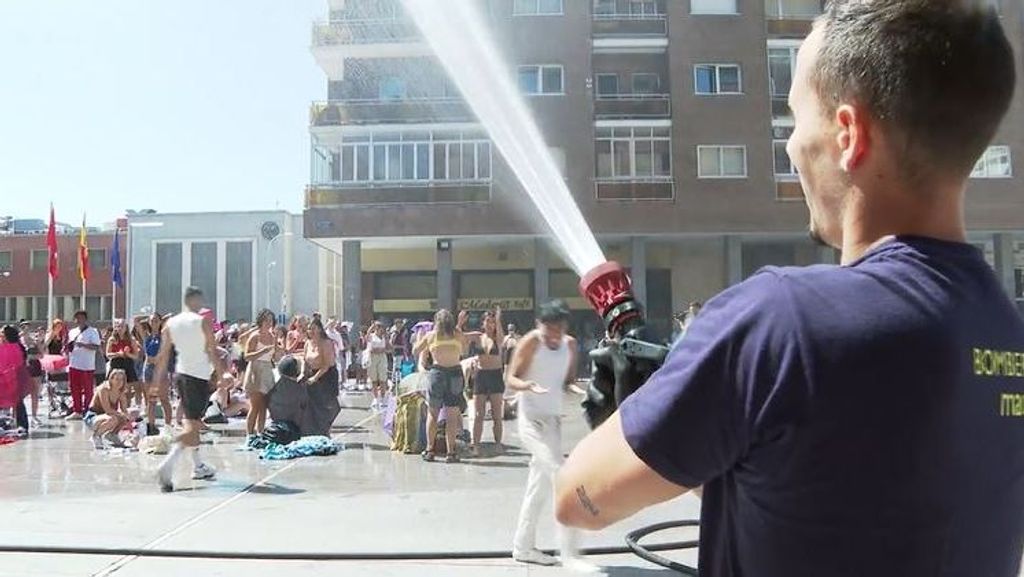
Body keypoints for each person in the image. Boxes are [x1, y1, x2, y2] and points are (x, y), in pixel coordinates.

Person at [556, 3, 1023, 577]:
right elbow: (818, 499)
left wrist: (634, 413)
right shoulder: (1007, 330)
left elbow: (580, 498)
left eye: (795, 118)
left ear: (848, 134)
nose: (791, 146)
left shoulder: (781, 319)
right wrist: (712, 424)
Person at [503, 300, 592, 570]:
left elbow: (567, 382)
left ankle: (522, 547)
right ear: (539, 325)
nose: (552, 335)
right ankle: (570, 553)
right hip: (530, 421)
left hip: (553, 421)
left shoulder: (571, 345)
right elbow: (510, 378)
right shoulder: (531, 342)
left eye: (557, 330)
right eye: (547, 329)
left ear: (564, 327)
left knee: (538, 487)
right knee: (560, 476)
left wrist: (580, 392)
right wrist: (527, 385)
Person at [154, 287, 224, 492]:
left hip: (181, 376)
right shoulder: (201, 322)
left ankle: (198, 465)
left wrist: (156, 381)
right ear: (195, 301)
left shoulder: (170, 323)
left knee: (191, 423)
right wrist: (222, 374)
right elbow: (211, 350)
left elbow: (163, 355)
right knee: (192, 428)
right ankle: (166, 464)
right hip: (198, 377)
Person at [412, 309, 474, 463]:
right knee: (452, 415)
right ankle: (451, 452)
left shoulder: (431, 335)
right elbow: (465, 350)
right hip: (454, 372)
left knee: (433, 414)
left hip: (437, 373)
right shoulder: (457, 334)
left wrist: (420, 339)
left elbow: (415, 351)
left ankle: (429, 450)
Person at [470, 309, 505, 456]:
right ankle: (476, 445)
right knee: (479, 414)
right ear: (483, 323)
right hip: (481, 376)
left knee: (497, 414)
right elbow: (461, 336)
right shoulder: (478, 337)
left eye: (492, 322)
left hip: (495, 375)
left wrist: (498, 319)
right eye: (487, 321)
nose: (490, 324)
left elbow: (501, 337)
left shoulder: (498, 338)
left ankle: (498, 444)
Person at [244, 309, 280, 446]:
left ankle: (260, 432)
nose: (268, 323)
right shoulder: (255, 336)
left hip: (267, 369)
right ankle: (250, 434)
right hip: (255, 369)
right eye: (266, 320)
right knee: (255, 404)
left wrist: (278, 349)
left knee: (264, 405)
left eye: (271, 320)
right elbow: (247, 356)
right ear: (261, 321)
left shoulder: (272, 336)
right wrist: (261, 351)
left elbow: (275, 356)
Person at [301, 318, 340, 437]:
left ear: (319, 329)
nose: (311, 331)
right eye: (309, 329)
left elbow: (327, 364)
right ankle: (317, 429)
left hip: (327, 375)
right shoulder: (308, 342)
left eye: (313, 328)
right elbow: (304, 360)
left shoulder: (326, 342)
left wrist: (315, 378)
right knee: (314, 405)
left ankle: (325, 429)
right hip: (311, 374)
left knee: (330, 405)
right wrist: (303, 373)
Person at [65, 310, 102, 422]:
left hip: (87, 365)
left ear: (85, 319)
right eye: (77, 318)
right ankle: (77, 410)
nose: (79, 320)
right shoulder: (72, 332)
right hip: (74, 363)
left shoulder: (93, 331)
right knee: (74, 388)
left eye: (81, 317)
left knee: (88, 389)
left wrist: (83, 345)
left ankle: (88, 410)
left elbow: (96, 347)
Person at [142, 313, 174, 435]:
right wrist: (148, 318)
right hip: (148, 368)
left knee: (164, 399)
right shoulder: (147, 336)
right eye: (152, 321)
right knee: (151, 400)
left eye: (156, 320)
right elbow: (136, 320)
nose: (154, 323)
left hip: (160, 369)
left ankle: (168, 426)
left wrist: (162, 319)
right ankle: (151, 426)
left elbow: (171, 317)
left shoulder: (164, 335)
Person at [84, 368, 129, 450]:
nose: (119, 382)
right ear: (111, 379)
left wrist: (128, 416)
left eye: (122, 380)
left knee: (126, 417)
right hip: (93, 417)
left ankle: (113, 434)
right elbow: (107, 410)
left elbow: (124, 410)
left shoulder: (121, 392)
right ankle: (96, 436)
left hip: (108, 416)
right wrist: (121, 415)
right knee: (113, 419)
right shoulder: (104, 389)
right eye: (117, 379)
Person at [106, 319, 141, 408]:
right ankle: (113, 409)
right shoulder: (112, 339)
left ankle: (127, 409)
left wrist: (128, 354)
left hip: (127, 364)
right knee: (113, 389)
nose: (120, 328)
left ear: (126, 328)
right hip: (116, 364)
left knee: (127, 391)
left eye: (122, 326)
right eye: (118, 326)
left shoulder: (131, 339)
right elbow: (108, 354)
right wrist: (118, 354)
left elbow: (136, 356)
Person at [20, 323, 43, 427]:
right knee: (20, 393)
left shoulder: (34, 341)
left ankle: (34, 416)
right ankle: (16, 415)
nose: (26, 329)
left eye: (28, 327)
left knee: (35, 393)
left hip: (35, 367)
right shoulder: (18, 341)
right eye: (23, 327)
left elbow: (41, 355)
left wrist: (30, 357)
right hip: (23, 368)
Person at [366, 321, 389, 408]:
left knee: (382, 379)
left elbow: (388, 347)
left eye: (381, 327)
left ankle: (383, 398)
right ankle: (375, 398)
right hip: (373, 357)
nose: (380, 329)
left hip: (382, 357)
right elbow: (366, 338)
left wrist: (383, 349)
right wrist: (371, 327)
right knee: (374, 379)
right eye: (378, 327)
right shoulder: (372, 336)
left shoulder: (384, 337)